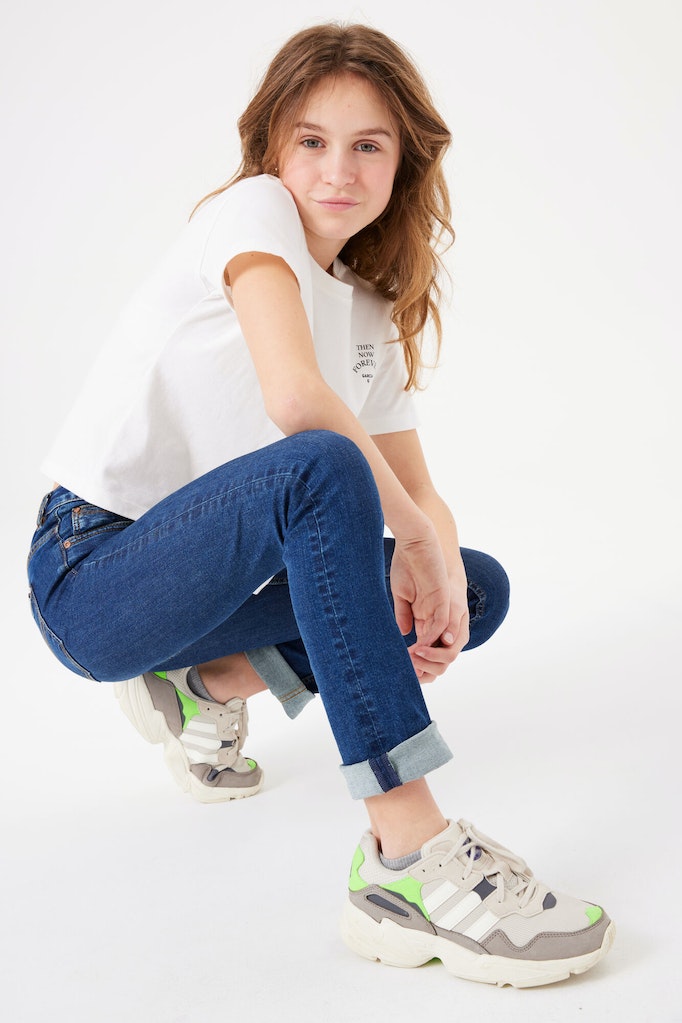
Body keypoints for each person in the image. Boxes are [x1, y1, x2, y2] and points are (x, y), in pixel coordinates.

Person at [26, 22, 613, 987]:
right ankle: (406, 855)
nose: (338, 170)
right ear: (273, 148)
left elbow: (419, 491)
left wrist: (434, 566)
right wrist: (410, 539)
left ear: (404, 161)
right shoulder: (252, 214)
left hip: (213, 597)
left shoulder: (370, 308)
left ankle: (204, 686)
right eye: (312, 140)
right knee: (320, 465)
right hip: (93, 578)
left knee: (473, 587)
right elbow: (297, 400)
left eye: (368, 144)